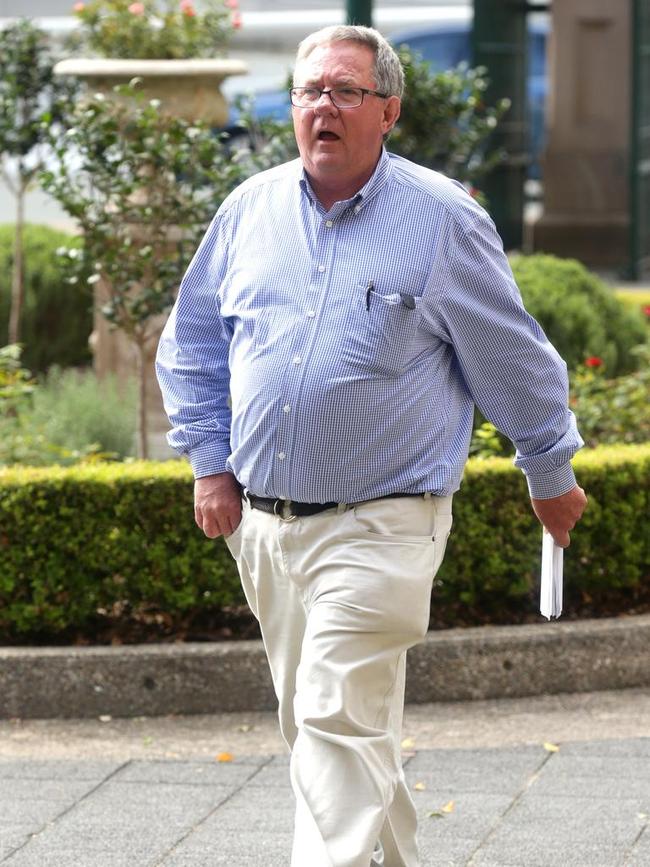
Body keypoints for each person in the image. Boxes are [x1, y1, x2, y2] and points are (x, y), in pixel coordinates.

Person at [155, 24, 587, 867]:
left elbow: (511, 356)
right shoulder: (249, 209)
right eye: (310, 91)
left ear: (387, 110)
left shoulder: (440, 220)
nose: (324, 106)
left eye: (346, 92)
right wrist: (210, 461)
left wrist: (549, 469)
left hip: (384, 521)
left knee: (332, 718)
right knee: (332, 726)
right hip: (269, 527)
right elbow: (194, 343)